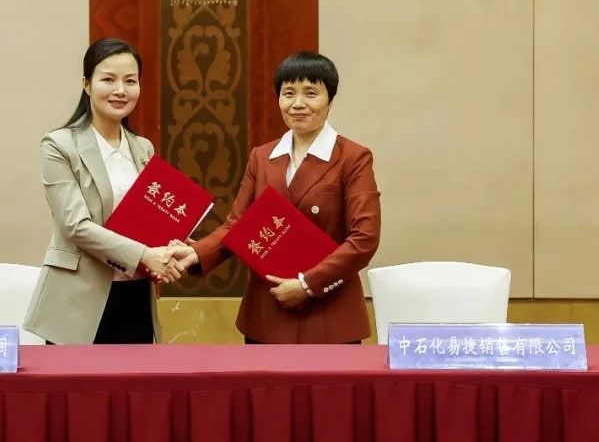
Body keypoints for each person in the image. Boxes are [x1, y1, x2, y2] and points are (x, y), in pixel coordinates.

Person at [170, 51, 381, 343]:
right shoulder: (262, 156)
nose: (298, 104)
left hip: (329, 314)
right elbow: (238, 224)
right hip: (267, 311)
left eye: (311, 93)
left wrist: (307, 284)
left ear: (330, 100)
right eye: (288, 93)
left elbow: (364, 238)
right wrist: (197, 253)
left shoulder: (353, 158)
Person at [24, 38, 183, 345]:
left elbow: (151, 218)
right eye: (108, 79)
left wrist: (175, 245)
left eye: (130, 81)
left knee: (135, 378)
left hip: (135, 293)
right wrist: (145, 255)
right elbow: (75, 226)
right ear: (86, 84)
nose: (120, 90)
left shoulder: (143, 148)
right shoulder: (59, 145)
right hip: (79, 299)